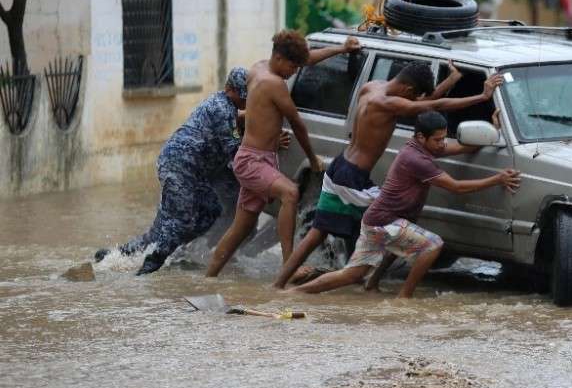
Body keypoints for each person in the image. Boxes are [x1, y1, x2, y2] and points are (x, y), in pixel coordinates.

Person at [272, 60, 504, 288]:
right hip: (353, 179)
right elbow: (432, 105)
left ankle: (280, 283)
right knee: (395, 219)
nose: (415, 101)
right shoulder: (389, 103)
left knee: (318, 232)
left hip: (340, 166)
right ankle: (365, 280)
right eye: (414, 96)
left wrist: (451, 80)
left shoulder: (372, 87)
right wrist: (482, 97)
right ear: (408, 89)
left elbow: (422, 103)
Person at [288, 111, 520, 298]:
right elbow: (456, 187)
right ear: (421, 137)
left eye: (443, 138)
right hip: (383, 222)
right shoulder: (416, 159)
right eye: (438, 139)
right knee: (432, 246)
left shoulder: (420, 148)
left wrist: (494, 132)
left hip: (382, 221)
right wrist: (497, 179)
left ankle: (365, 286)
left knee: (358, 270)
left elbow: (462, 147)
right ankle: (404, 299)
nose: (442, 144)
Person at [205, 31, 360, 277]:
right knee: (291, 193)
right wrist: (312, 159)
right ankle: (289, 268)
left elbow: (307, 59)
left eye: (298, 65)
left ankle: (209, 277)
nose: (295, 71)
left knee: (241, 228)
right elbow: (297, 123)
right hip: (252, 160)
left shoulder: (258, 68)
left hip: (258, 157)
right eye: (292, 66)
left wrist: (340, 49)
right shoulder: (273, 84)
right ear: (279, 57)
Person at [93, 68, 252, 275]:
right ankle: (149, 267)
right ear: (229, 89)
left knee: (208, 211)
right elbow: (233, 150)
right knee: (181, 221)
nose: (245, 101)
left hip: (190, 170)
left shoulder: (223, 104)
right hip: (180, 166)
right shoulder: (223, 109)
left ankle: (118, 255)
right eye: (242, 95)